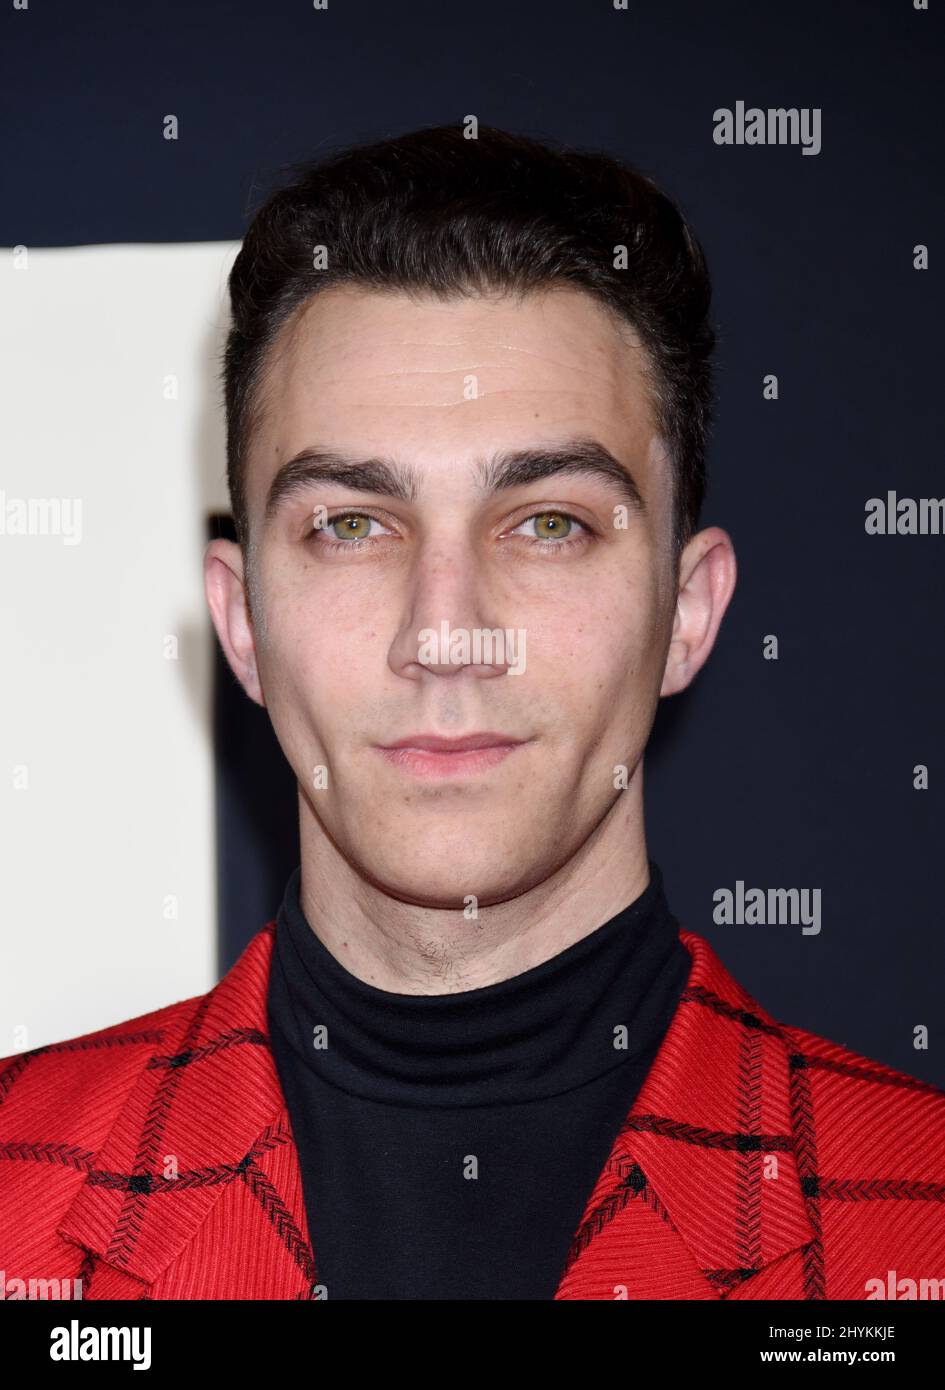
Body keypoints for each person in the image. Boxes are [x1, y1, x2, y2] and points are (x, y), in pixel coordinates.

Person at [1, 123, 943, 1302]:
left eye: (549, 523)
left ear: (689, 613)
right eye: (351, 524)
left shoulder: (921, 1224)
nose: (445, 634)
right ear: (242, 622)